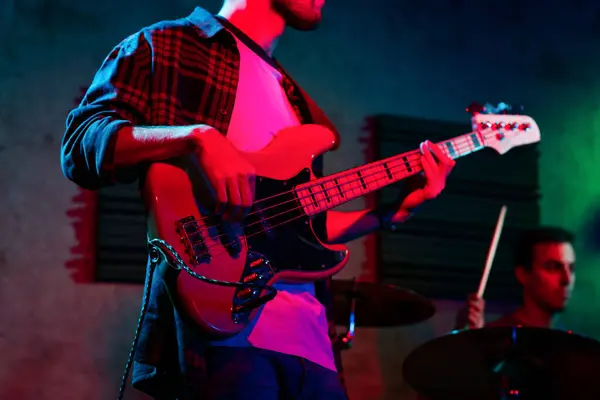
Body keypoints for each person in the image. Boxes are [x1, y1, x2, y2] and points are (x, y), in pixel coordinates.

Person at [61, 1, 456, 399]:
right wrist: (197, 137)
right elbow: (80, 143)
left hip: (313, 344)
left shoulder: (298, 101)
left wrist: (391, 213)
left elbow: (298, 227)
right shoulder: (167, 44)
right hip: (223, 341)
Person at [455, 226, 575, 329]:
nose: (567, 280)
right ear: (522, 274)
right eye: (553, 267)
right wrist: (471, 342)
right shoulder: (497, 338)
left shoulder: (572, 345)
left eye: (571, 268)